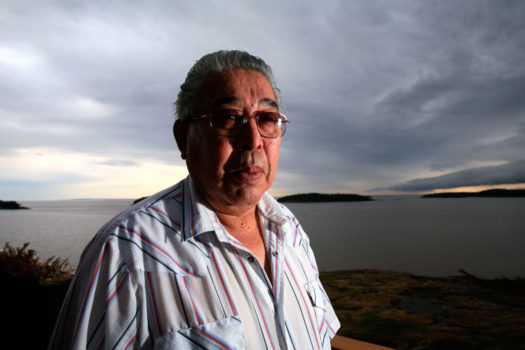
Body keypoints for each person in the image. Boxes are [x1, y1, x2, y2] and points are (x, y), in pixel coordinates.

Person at [49, 50, 340, 349]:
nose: (253, 140)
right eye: (228, 118)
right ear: (182, 138)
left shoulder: (290, 231)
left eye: (266, 119)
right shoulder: (125, 251)